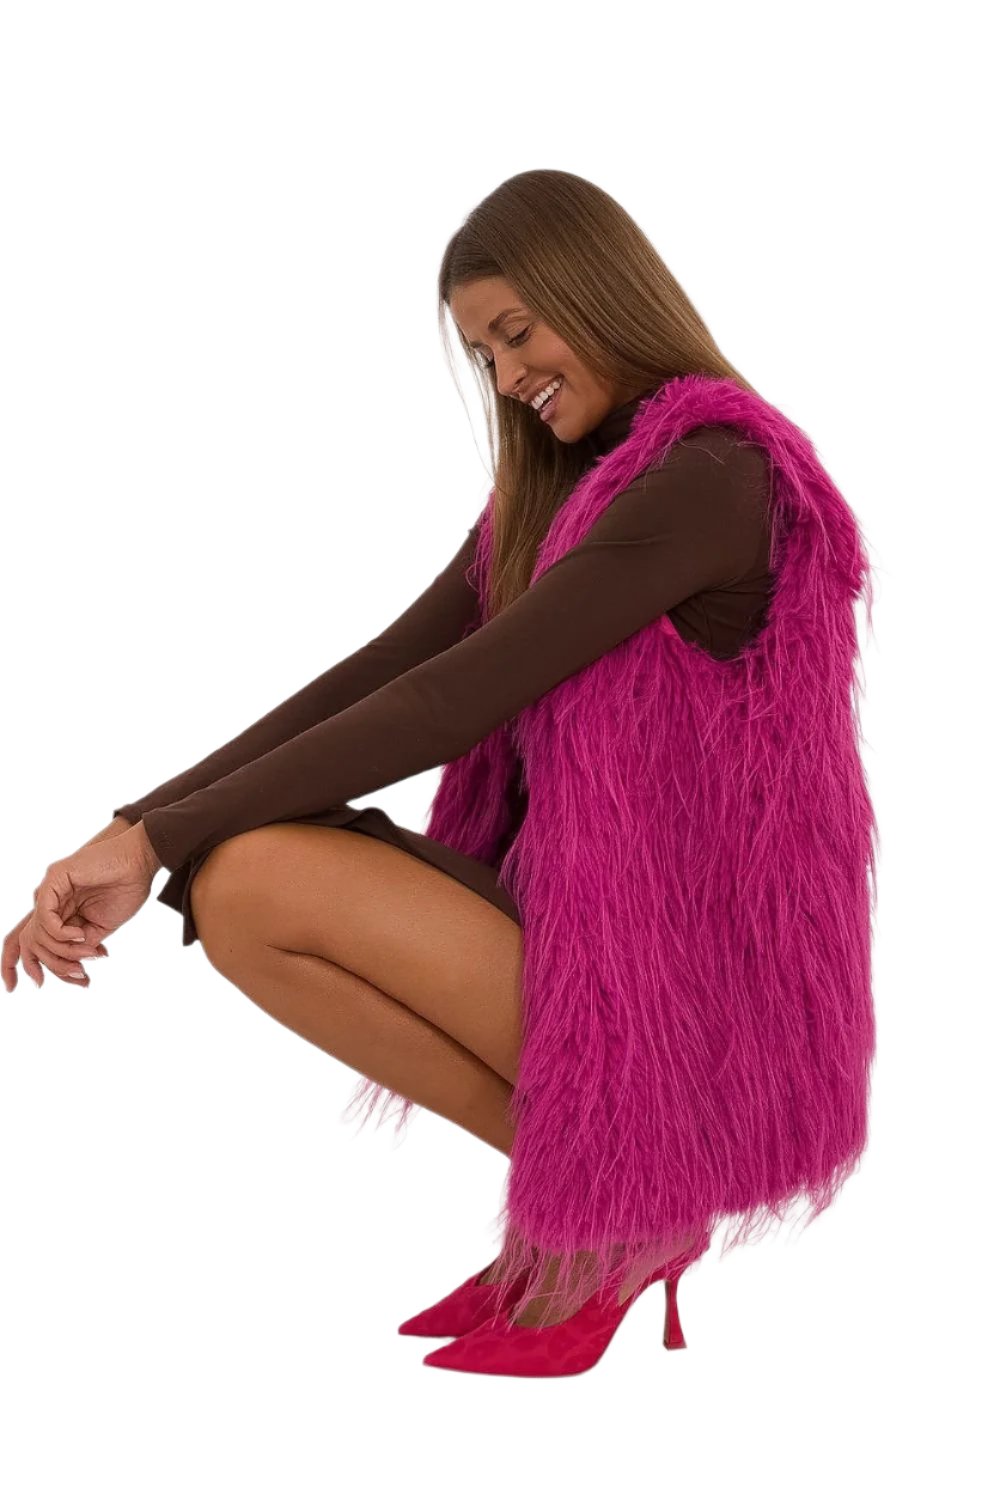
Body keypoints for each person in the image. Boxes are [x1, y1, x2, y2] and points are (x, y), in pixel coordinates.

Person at [4, 170, 874, 1378]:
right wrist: (139, 822)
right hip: (595, 934)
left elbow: (452, 701)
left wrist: (155, 844)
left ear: (601, 291)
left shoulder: (712, 476)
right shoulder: (566, 488)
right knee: (239, 896)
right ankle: (611, 1213)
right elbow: (390, 668)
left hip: (700, 997)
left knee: (250, 874)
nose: (508, 377)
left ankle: (621, 1218)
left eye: (518, 333)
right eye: (484, 354)